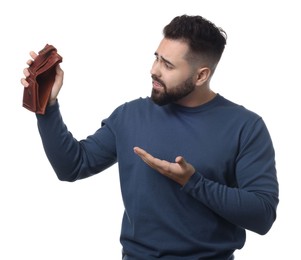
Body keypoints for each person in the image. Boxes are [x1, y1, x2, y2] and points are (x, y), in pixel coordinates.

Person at [21, 15, 279, 260]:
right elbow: (73, 166)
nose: (154, 70)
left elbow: (262, 215)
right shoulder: (130, 115)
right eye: (157, 58)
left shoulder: (246, 126)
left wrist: (193, 182)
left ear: (201, 75)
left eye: (168, 65)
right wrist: (46, 104)